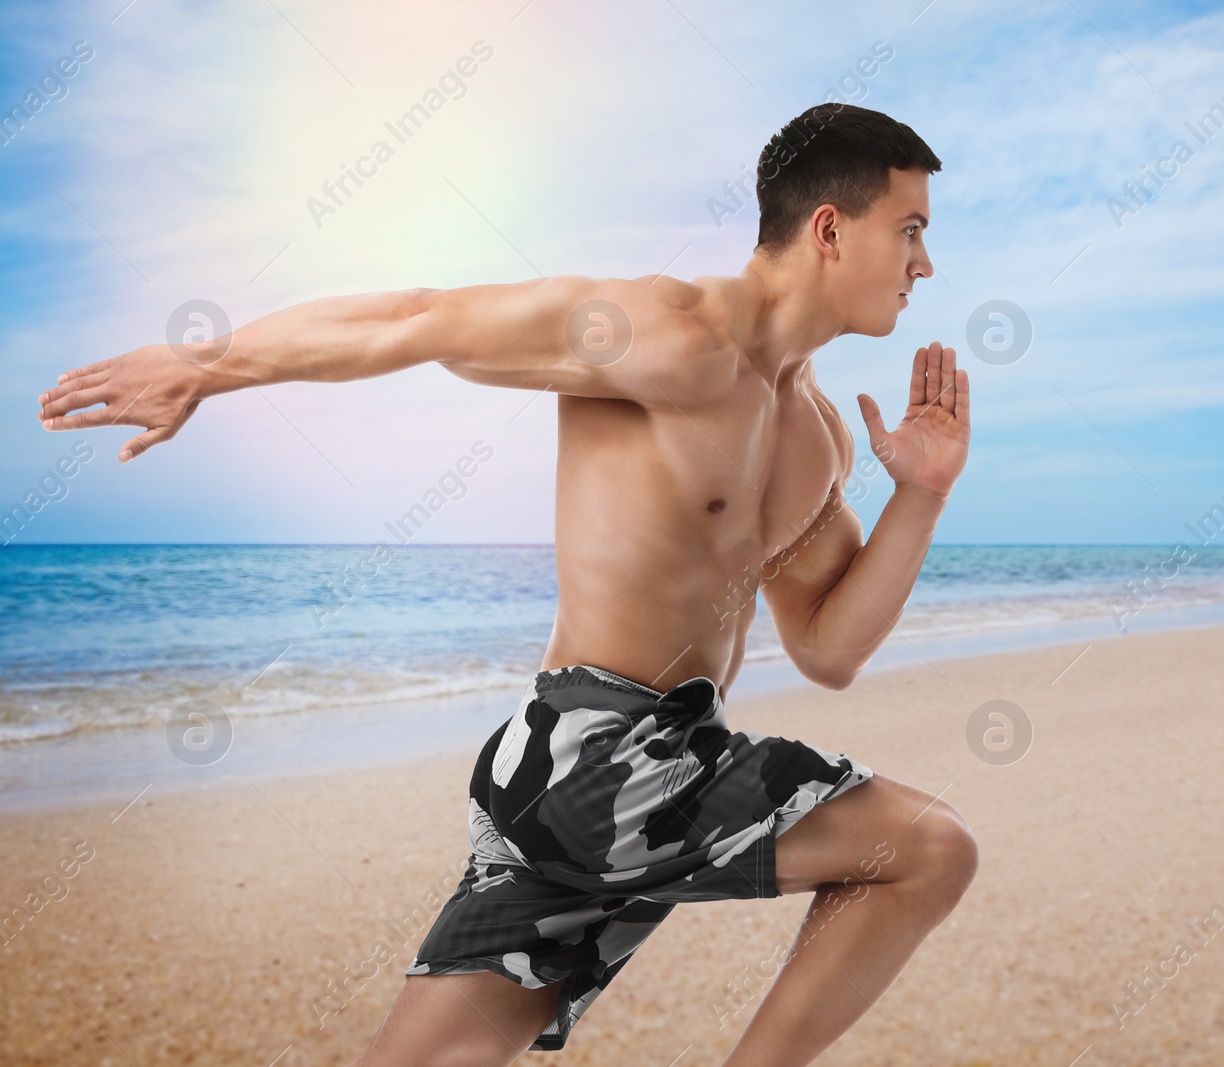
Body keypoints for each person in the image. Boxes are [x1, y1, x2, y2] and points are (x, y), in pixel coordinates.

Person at [37, 102, 978, 1067]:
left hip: (626, 771)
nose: (924, 264)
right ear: (830, 228)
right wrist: (205, 365)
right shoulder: (668, 332)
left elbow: (827, 645)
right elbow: (423, 317)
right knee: (930, 849)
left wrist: (921, 496)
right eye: (910, 230)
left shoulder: (814, 434)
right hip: (593, 758)